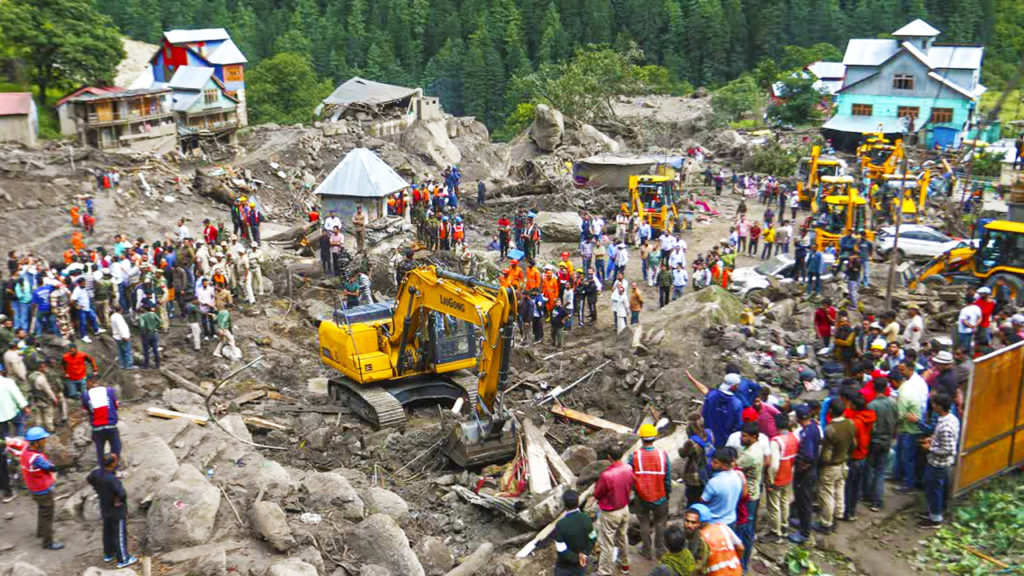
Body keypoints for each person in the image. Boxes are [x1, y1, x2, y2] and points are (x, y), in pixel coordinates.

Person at [918, 393, 960, 528]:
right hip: (939, 463)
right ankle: (934, 511)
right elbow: (942, 440)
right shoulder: (949, 419)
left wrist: (930, 448)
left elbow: (948, 449)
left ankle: (935, 519)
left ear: (940, 407)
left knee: (934, 489)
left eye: (934, 404)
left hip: (938, 464)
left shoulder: (946, 426)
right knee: (936, 489)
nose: (933, 406)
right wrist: (932, 440)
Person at [87, 453, 137, 567]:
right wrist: (118, 500)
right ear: (113, 463)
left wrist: (98, 489)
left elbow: (89, 478)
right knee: (119, 533)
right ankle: (123, 559)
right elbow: (122, 493)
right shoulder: (112, 479)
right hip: (116, 510)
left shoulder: (97, 473)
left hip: (105, 507)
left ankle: (109, 553)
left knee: (108, 531)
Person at [629, 424, 671, 560]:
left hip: (641, 497)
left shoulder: (635, 456)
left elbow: (630, 475)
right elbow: (668, 478)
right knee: (660, 523)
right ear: (655, 437)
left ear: (641, 438)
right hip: (660, 496)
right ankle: (659, 550)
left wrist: (635, 490)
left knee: (644, 523)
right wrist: (667, 493)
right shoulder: (662, 455)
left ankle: (646, 550)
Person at [593, 443, 634, 576]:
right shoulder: (628, 468)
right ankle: (625, 565)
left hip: (610, 512)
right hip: (624, 509)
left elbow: (597, 494)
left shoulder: (607, 475)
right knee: (623, 537)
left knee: (607, 543)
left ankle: (604, 571)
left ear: (609, 456)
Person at [816, 399, 855, 534]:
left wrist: (821, 464)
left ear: (830, 411)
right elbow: (853, 445)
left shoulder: (830, 429)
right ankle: (838, 516)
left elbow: (826, 454)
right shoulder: (850, 423)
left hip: (831, 466)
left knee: (826, 494)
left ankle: (826, 523)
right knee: (839, 490)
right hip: (843, 462)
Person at [21, 427, 63, 549]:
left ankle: (41, 532)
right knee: (47, 514)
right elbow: (51, 467)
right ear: (36, 442)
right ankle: (48, 542)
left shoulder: (26, 452)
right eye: (43, 439)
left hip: (33, 489)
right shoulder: (37, 459)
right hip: (42, 490)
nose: (45, 441)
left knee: (42, 510)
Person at [893, 360, 929, 494]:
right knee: (903, 455)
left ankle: (908, 483)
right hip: (907, 427)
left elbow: (901, 414)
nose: (901, 373)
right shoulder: (907, 385)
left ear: (909, 369)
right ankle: (901, 478)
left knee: (908, 458)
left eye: (902, 370)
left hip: (911, 428)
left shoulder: (914, 386)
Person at [789, 404, 821, 544]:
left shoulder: (807, 433)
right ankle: (803, 523)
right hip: (812, 470)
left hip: (806, 473)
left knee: (804, 501)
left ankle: (804, 533)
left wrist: (800, 469)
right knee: (804, 501)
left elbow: (808, 455)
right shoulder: (814, 427)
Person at [865, 377, 897, 512]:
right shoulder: (893, 403)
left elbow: (869, 427)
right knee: (880, 471)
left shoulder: (871, 406)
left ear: (874, 388)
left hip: (874, 441)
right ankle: (877, 501)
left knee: (870, 469)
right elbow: (896, 421)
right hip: (886, 440)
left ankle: (868, 495)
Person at [842, 392, 875, 521]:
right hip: (863, 454)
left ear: (855, 406)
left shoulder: (855, 422)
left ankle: (847, 511)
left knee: (849, 485)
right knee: (856, 486)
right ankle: (852, 511)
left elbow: (852, 441)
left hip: (854, 456)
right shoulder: (869, 417)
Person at [734, 422, 763, 570]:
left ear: (754, 436)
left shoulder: (750, 455)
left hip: (748, 496)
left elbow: (735, 467)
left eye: (744, 436)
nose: (742, 438)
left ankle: (742, 564)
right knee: (748, 528)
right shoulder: (758, 447)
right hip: (754, 492)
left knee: (743, 529)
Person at [764, 413, 797, 542]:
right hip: (789, 475)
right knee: (784, 502)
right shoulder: (793, 437)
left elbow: (774, 465)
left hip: (778, 477)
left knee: (774, 506)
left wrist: (770, 479)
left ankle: (775, 532)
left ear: (775, 425)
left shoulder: (776, 441)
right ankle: (784, 526)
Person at [550, 490, 595, 575]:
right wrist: (584, 554)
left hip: (565, 566)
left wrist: (576, 559)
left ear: (564, 505)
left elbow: (561, 548)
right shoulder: (587, 519)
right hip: (581, 564)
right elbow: (593, 538)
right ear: (578, 502)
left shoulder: (561, 524)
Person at [692, 503, 743, 576]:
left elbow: (699, 565)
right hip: (736, 571)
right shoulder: (722, 527)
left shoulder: (700, 537)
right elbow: (740, 548)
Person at [82, 379, 121, 467]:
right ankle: (114, 468)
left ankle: (102, 469)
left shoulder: (85, 394)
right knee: (116, 448)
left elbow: (85, 410)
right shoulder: (109, 391)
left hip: (97, 428)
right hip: (111, 425)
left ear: (89, 384)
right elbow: (116, 406)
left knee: (100, 451)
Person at [701, 448, 743, 527]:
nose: (711, 464)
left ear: (725, 466)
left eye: (715, 462)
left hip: (714, 522)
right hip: (731, 519)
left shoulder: (714, 482)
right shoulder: (737, 476)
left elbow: (703, 500)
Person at [701, 374, 743, 449]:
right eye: (737, 385)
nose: (738, 387)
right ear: (732, 386)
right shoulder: (737, 403)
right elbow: (738, 426)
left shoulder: (711, 396)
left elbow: (703, 413)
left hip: (708, 438)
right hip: (725, 442)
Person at [27, 360, 58, 432]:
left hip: (35, 399)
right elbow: (48, 390)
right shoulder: (41, 378)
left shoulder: (31, 376)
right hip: (44, 399)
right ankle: (51, 430)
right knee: (48, 415)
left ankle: (38, 429)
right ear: (40, 368)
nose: (45, 369)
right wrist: (54, 399)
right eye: (44, 367)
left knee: (38, 416)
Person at [138, 304, 161, 369]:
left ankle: (146, 365)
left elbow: (142, 326)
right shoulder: (153, 314)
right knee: (155, 349)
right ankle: (157, 365)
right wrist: (155, 327)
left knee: (146, 350)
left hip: (147, 335)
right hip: (154, 333)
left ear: (144, 309)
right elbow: (159, 321)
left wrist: (143, 332)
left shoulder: (142, 316)